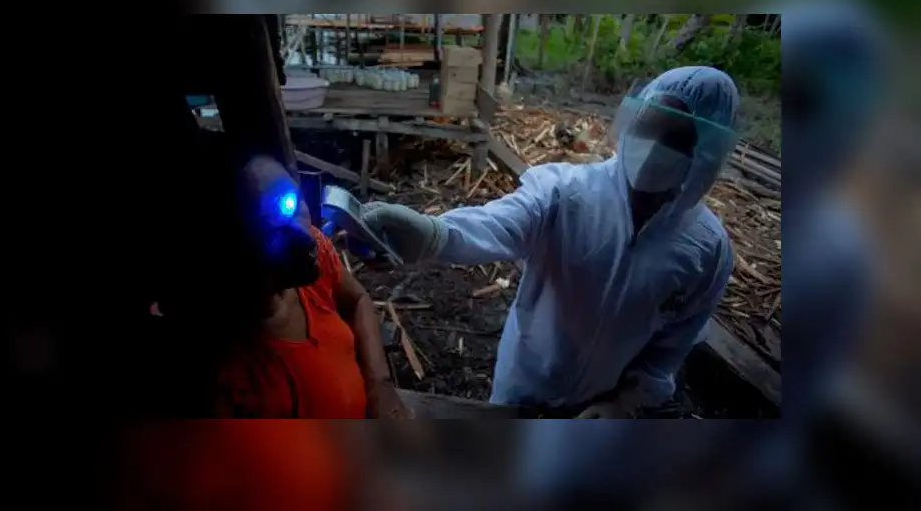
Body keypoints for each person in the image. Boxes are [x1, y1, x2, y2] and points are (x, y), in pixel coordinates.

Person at [336, 66, 740, 418]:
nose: (654, 146)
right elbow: (498, 223)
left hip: (600, 407)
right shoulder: (565, 191)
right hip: (523, 385)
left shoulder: (706, 250)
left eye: (676, 139)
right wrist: (433, 234)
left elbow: (672, 346)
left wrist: (626, 403)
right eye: (650, 126)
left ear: (706, 155)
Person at [204, 155, 411, 418]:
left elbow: (357, 299)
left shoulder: (312, 257)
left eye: (292, 204)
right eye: (272, 228)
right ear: (235, 247)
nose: (305, 235)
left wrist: (379, 383)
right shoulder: (227, 370)